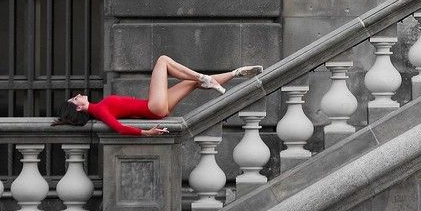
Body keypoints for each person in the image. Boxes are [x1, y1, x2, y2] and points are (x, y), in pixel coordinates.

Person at [52, 56, 263, 137]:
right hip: (153, 107)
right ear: (78, 108)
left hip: (157, 108)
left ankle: (236, 73)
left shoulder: (99, 108)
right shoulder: (98, 110)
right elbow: (119, 128)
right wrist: (146, 133)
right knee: (162, 61)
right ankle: (203, 76)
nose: (78, 95)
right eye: (75, 99)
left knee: (190, 83)